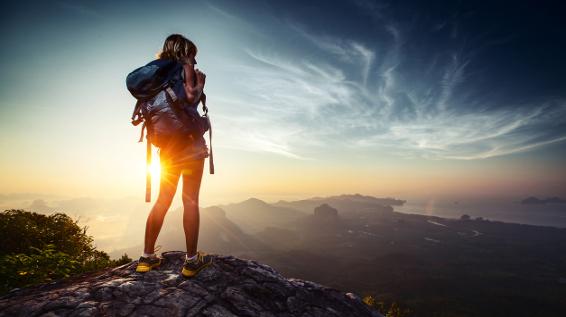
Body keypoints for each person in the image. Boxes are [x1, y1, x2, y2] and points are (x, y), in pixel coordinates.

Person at [135, 34, 213, 277]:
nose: (195, 60)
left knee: (163, 199)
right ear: (184, 51)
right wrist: (199, 84)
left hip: (166, 148)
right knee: (190, 200)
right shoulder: (183, 67)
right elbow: (190, 98)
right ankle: (191, 262)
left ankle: (146, 258)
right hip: (190, 145)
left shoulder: (154, 76)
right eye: (193, 55)